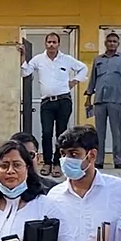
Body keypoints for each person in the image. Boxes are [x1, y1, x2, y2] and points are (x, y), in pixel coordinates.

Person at [19, 33, 88, 179]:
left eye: (54, 42)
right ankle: (47, 162)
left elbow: (84, 68)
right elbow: (25, 72)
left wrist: (74, 82)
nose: (51, 44)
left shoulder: (67, 59)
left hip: (64, 100)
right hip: (47, 102)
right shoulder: (38, 59)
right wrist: (23, 55)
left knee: (61, 133)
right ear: (45, 43)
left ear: (58, 44)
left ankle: (58, 163)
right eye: (49, 42)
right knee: (47, 132)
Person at [84, 32, 121, 170]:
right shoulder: (98, 60)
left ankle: (118, 160)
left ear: (118, 44)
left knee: (116, 132)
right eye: (110, 41)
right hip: (99, 100)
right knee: (99, 133)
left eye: (114, 41)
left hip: (116, 100)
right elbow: (92, 80)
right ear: (105, 43)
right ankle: (99, 160)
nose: (112, 43)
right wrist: (88, 97)